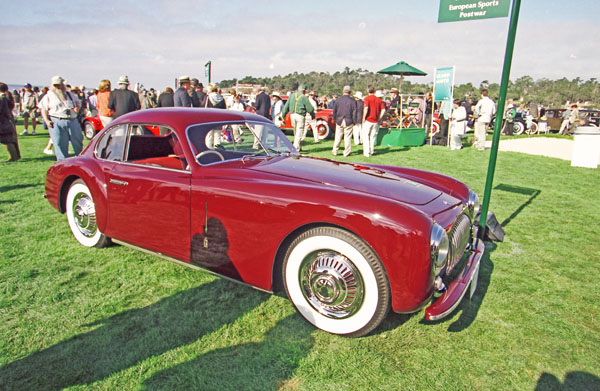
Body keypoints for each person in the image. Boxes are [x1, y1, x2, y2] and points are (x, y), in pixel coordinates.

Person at [37, 76, 83, 160]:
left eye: (59, 85)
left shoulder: (70, 94)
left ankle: (79, 159)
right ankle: (62, 161)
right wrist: (47, 120)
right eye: (55, 85)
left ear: (63, 84)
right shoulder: (49, 96)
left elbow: (78, 103)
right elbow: (43, 109)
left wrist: (77, 108)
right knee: (60, 143)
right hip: (57, 120)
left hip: (72, 120)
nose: (57, 87)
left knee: (77, 141)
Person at [282, 84, 315, 151]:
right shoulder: (304, 97)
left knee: (295, 132)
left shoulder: (291, 96)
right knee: (299, 132)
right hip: (300, 116)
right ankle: (295, 148)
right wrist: (313, 115)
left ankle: (299, 147)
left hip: (292, 116)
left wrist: (283, 116)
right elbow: (310, 109)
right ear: (304, 90)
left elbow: (286, 107)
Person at [332, 85, 356, 157]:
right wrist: (354, 121)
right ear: (350, 92)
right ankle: (346, 153)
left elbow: (334, 111)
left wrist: (335, 119)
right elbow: (354, 112)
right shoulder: (352, 101)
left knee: (338, 137)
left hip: (339, 120)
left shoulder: (338, 100)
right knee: (347, 137)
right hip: (348, 120)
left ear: (343, 91)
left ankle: (335, 151)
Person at [362, 86, 386, 157]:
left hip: (368, 120)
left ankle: (367, 152)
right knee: (372, 137)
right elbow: (383, 110)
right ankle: (371, 151)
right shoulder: (379, 100)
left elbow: (366, 108)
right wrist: (379, 118)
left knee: (366, 137)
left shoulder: (367, 99)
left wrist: (363, 117)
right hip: (375, 121)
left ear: (367, 91)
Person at [0, 82, 21, 162]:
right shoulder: (6, 97)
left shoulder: (2, 99)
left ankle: (14, 157)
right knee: (9, 140)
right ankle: (15, 156)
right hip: (7, 122)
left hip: (3, 123)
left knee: (7, 140)